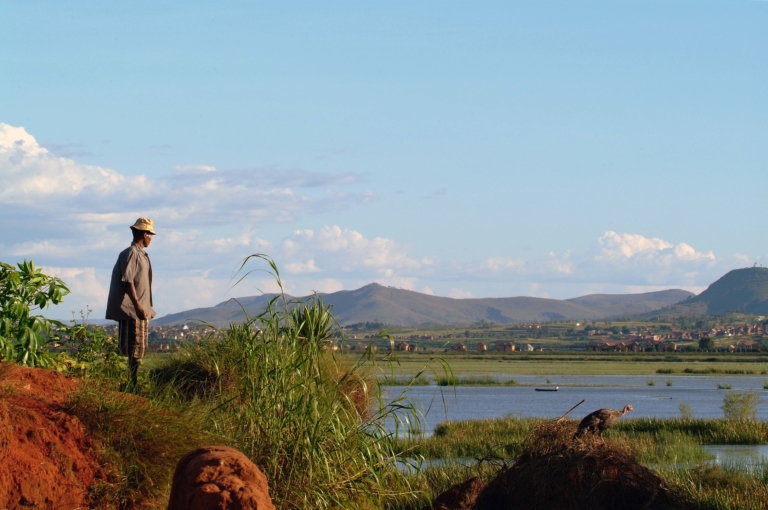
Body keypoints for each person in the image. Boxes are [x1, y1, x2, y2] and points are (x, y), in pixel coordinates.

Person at [106, 217, 156, 388]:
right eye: (150, 234)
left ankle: (132, 383)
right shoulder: (132, 254)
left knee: (138, 349)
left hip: (139, 309)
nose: (151, 238)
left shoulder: (141, 254)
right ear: (144, 234)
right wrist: (138, 306)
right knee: (133, 349)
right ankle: (131, 384)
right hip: (133, 310)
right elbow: (127, 282)